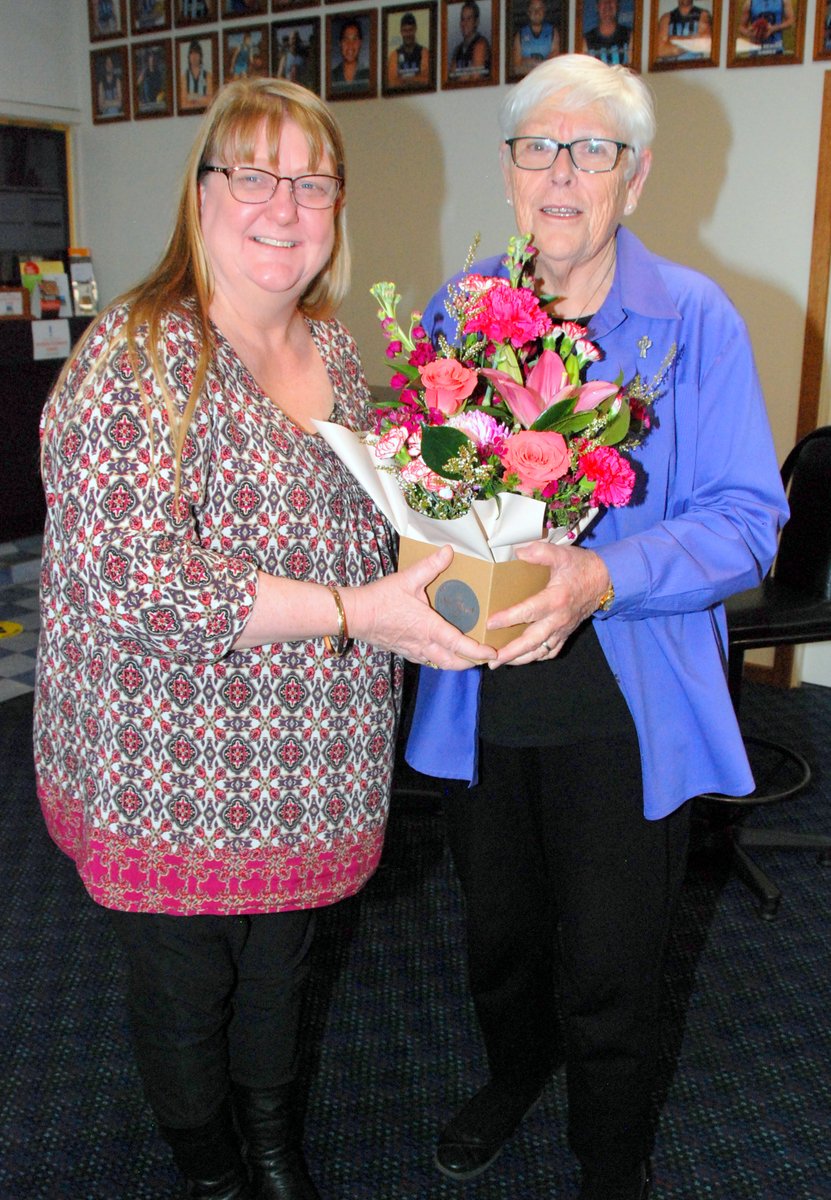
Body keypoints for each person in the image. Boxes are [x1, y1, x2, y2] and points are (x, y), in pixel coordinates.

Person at [34, 77, 493, 1200]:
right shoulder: (138, 354)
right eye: (255, 174)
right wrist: (352, 614)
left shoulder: (335, 356)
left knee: (284, 975)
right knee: (189, 996)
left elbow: (381, 513)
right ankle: (212, 1174)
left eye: (313, 182)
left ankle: (274, 1144)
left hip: (310, 759)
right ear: (203, 196)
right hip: (171, 769)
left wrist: (484, 548)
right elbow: (130, 576)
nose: (284, 206)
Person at [407, 55, 788, 1200]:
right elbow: (425, 489)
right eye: (538, 147)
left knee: (613, 958)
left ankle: (609, 1155)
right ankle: (514, 1075)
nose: (561, 174)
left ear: (635, 177)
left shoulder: (693, 320)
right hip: (482, 691)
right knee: (501, 939)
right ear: (511, 168)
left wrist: (600, 578)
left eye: (592, 150)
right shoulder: (463, 307)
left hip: (626, 700)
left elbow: (747, 523)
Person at [512, 0, 559, 77]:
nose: (537, 12)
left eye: (540, 8)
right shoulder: (520, 35)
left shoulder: (553, 32)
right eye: (533, 8)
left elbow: (553, 64)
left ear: (544, 11)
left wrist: (528, 62)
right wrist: (542, 65)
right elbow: (517, 68)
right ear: (528, 12)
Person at [582, 0, 633, 65]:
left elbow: (632, 70)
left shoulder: (630, 37)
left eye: (612, 1)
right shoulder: (586, 41)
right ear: (597, 6)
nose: (607, 4)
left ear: (618, 5)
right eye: (603, 1)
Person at [387, 11, 430, 88]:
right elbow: (392, 83)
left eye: (410, 30)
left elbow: (427, 80)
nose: (408, 34)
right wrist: (416, 79)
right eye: (405, 31)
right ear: (401, 32)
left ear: (415, 29)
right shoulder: (394, 55)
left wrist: (404, 80)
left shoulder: (425, 53)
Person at [450, 1, 491, 77]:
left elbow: (475, 77)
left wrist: (460, 75)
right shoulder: (458, 49)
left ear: (476, 22)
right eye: (463, 19)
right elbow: (451, 77)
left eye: (469, 19)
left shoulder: (481, 44)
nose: (465, 23)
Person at [331, 18, 370, 90]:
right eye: (346, 39)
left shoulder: (369, 75)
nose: (350, 45)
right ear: (340, 43)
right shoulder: (331, 76)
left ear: (360, 43)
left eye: (354, 39)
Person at [180, 38, 213, 110]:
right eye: (191, 53)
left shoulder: (208, 76)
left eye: (196, 53)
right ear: (188, 56)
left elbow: (210, 101)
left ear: (200, 56)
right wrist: (202, 98)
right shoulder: (183, 78)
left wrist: (193, 97)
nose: (194, 56)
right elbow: (183, 103)